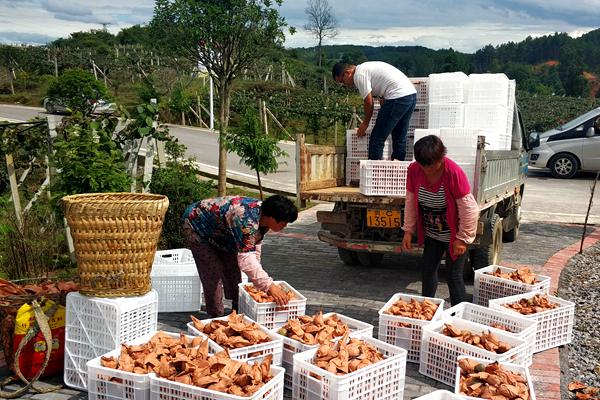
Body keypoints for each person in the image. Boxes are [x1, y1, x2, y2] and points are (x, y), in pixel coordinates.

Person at [182, 195, 298, 317]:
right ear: (271, 217)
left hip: (223, 232)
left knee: (232, 266)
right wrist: (269, 285)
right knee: (212, 272)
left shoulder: (262, 217)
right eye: (284, 223)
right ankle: (216, 316)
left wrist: (258, 279)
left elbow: (253, 248)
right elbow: (247, 259)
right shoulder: (246, 220)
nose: (285, 226)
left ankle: (237, 307)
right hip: (196, 225)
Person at [401, 135, 479, 305]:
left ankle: (458, 317)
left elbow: (469, 209)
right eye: (423, 165)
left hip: (454, 236)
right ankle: (426, 309)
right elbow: (411, 201)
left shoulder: (453, 172)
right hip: (432, 234)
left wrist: (462, 239)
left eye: (431, 165)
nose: (426, 170)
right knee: (427, 271)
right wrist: (408, 230)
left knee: (453, 276)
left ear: (441, 158)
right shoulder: (414, 170)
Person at [332, 61, 417, 161]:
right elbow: (383, 84)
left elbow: (369, 103)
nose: (344, 85)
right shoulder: (365, 68)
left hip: (397, 96)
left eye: (342, 81)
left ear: (347, 73)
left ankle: (372, 172)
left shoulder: (359, 75)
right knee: (399, 137)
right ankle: (398, 170)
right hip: (410, 95)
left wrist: (365, 123)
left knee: (377, 138)